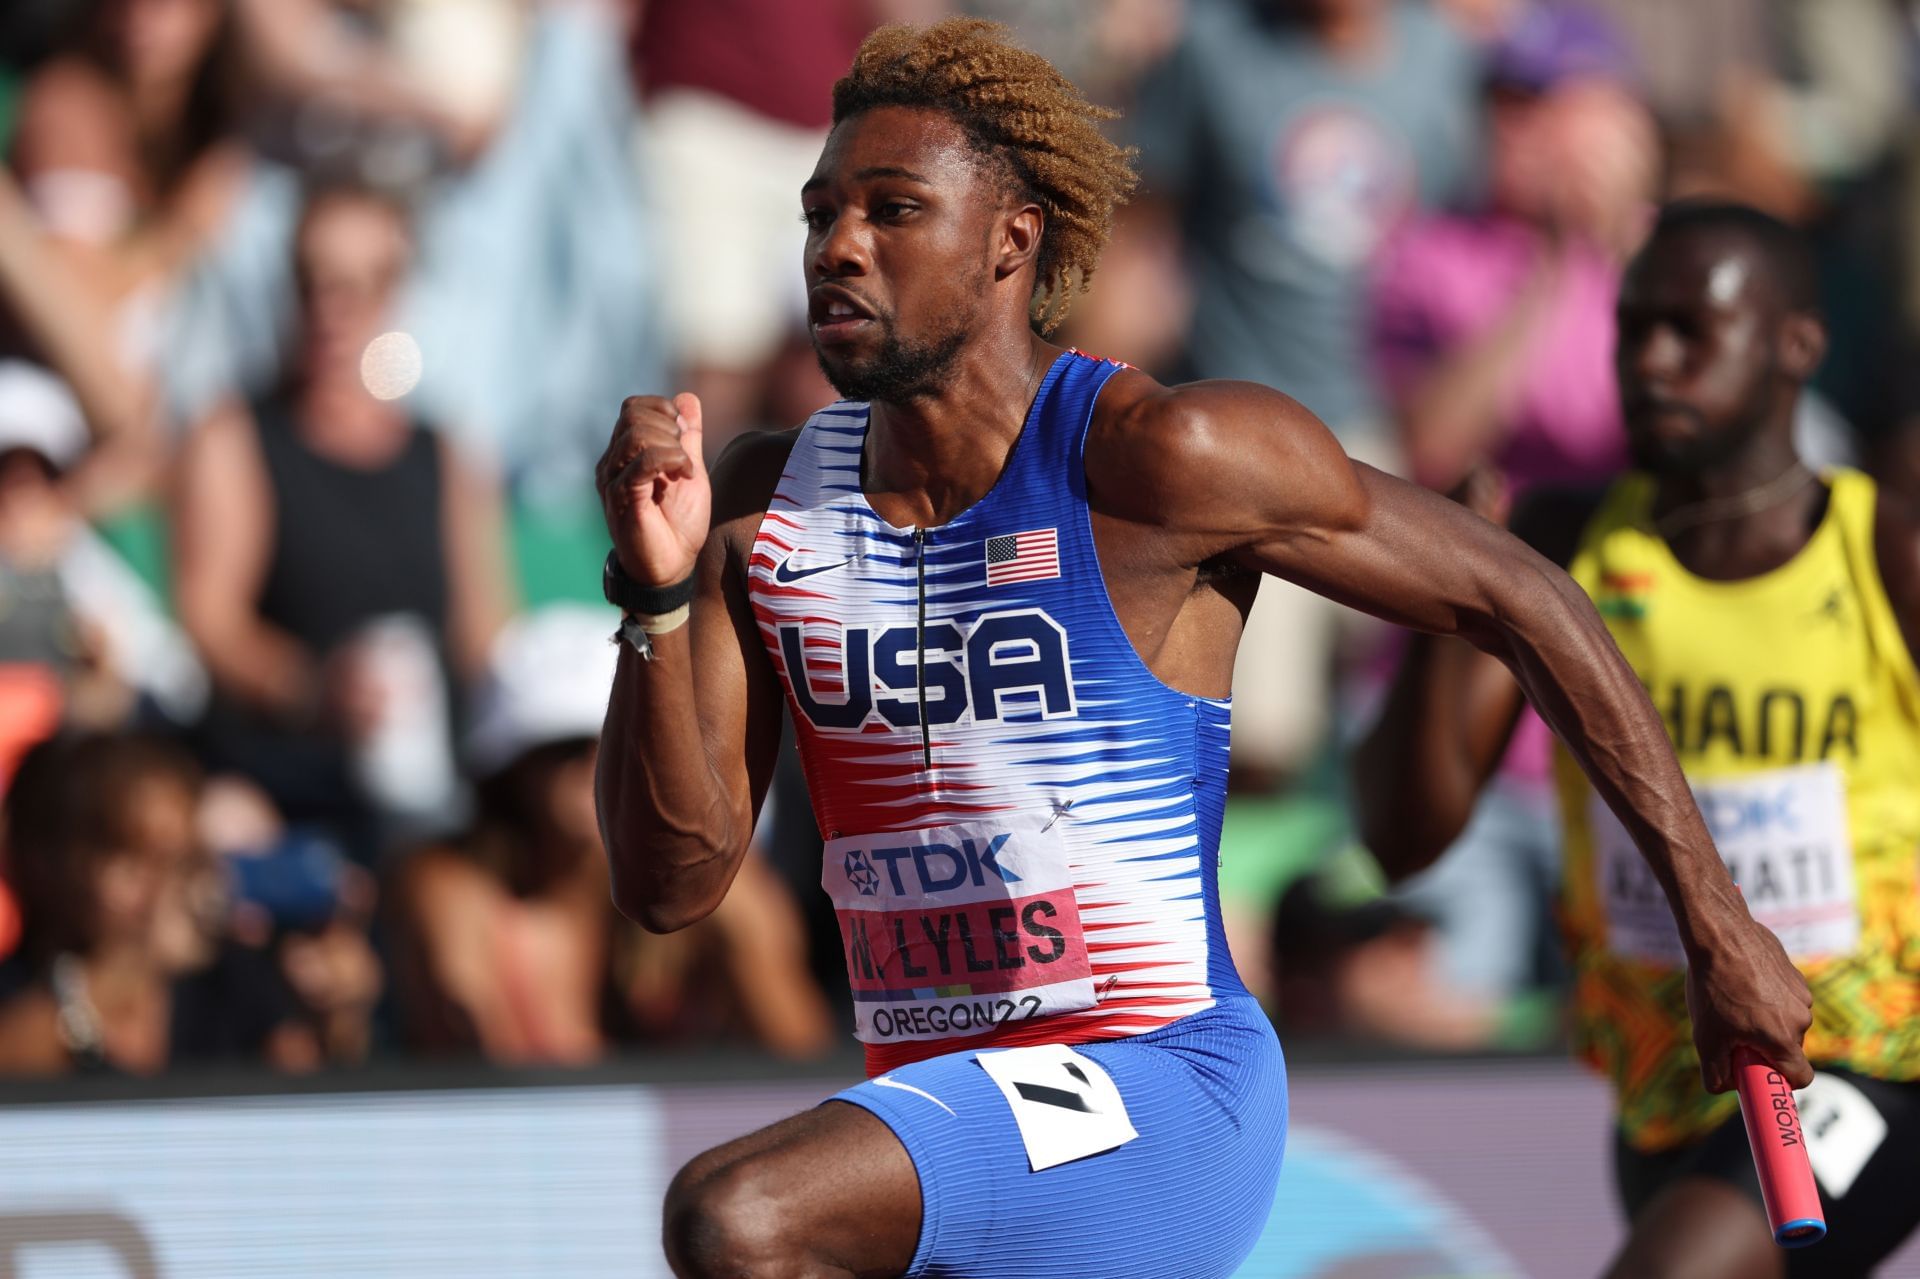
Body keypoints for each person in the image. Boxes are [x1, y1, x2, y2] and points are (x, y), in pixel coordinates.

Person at [592, 21, 1811, 1279]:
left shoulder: (1155, 458)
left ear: (1014, 239)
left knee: (736, 1216)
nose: (837, 246)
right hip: (953, 1111)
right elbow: (671, 884)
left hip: (1156, 1089)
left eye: (893, 210)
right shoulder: (762, 504)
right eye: (820, 213)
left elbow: (1529, 597)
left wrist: (1719, 926)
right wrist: (654, 588)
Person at [1354, 202, 1920, 1278]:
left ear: (1796, 343)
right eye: (1630, 329)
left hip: (1856, 1060)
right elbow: (1402, 838)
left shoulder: (1882, 549)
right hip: (1664, 1077)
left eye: (1689, 331)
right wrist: (1450, 607)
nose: (1650, 362)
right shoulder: (1565, 552)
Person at [171, 181, 510, 852]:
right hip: (284, 790)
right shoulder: (236, 435)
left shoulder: (445, 454)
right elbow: (210, 617)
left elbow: (485, 635)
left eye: (357, 286)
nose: (330, 309)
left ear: (396, 294)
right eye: (312, 282)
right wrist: (310, 689)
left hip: (425, 802)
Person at [388, 605, 832, 1064]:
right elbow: (496, 1084)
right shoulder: (450, 888)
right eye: (564, 747)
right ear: (508, 772)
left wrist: (708, 887)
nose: (593, 762)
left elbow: (801, 1060)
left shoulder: (715, 893)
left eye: (618, 738)